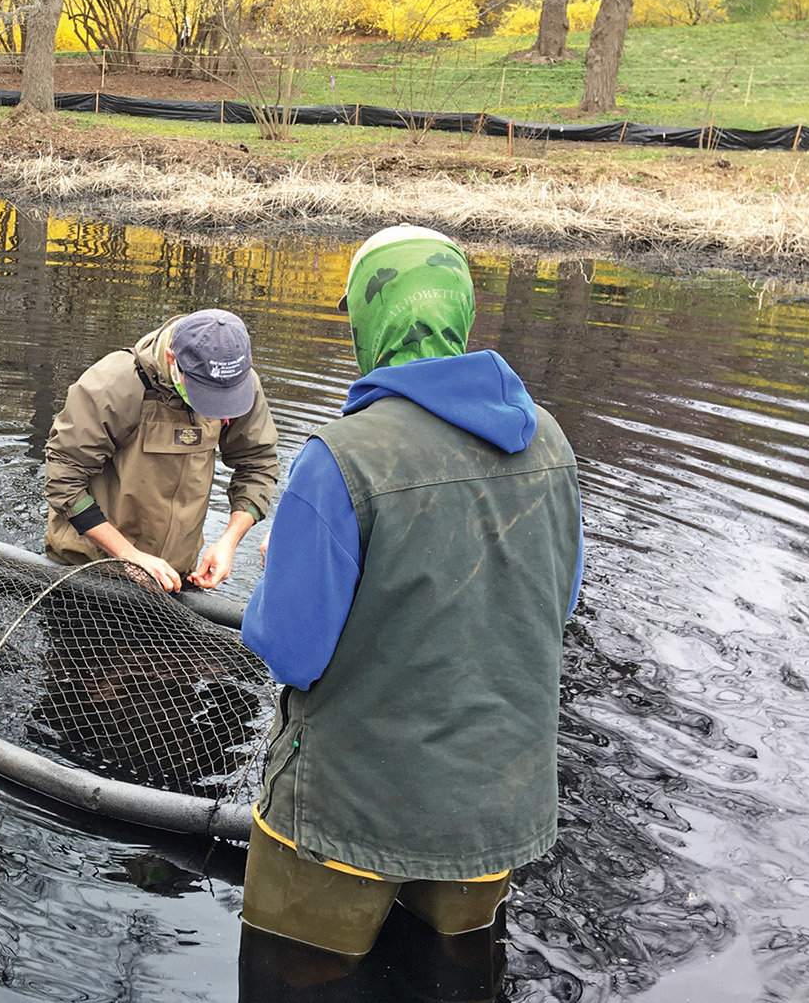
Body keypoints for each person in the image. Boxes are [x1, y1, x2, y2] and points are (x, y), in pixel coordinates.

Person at [239, 226, 584, 983]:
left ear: (370, 319)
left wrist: (287, 561)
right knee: (456, 978)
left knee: (295, 979)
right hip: (494, 806)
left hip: (346, 817)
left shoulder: (341, 457)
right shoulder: (552, 443)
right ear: (458, 312)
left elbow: (290, 649)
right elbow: (555, 603)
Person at [44, 309, 280, 592]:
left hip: (175, 578)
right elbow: (63, 481)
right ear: (172, 359)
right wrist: (129, 555)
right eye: (206, 395)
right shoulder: (113, 384)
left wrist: (229, 540)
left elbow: (259, 463)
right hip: (89, 572)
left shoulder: (235, 382)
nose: (216, 407)